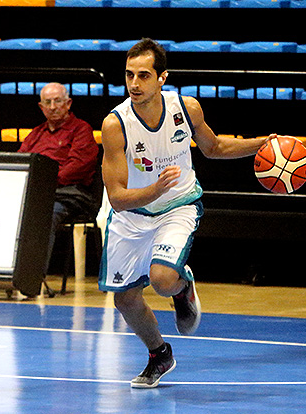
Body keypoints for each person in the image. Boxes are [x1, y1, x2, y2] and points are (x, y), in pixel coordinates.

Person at [99, 38, 277, 388]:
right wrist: (154, 189)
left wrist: (262, 143)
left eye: (144, 75)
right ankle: (159, 354)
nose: (134, 84)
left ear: (162, 77)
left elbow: (214, 147)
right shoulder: (115, 124)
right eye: (129, 75)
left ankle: (182, 288)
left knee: (162, 279)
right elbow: (117, 198)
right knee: (125, 299)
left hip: (178, 206)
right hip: (132, 215)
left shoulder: (186, 107)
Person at [18, 82, 99, 270]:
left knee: (45, 212)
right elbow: (22, 160)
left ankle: (32, 277)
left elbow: (78, 166)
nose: (53, 107)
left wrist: (45, 183)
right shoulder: (36, 133)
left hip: (68, 194)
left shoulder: (81, 129)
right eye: (48, 102)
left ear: (68, 103)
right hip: (36, 192)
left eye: (58, 101)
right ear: (41, 107)